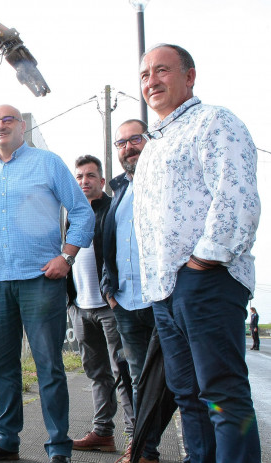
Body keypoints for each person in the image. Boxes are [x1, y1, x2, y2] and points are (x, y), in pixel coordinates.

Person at [134, 44, 261, 462]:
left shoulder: (214, 122)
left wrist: (201, 263)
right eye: (145, 74)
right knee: (188, 397)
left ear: (189, 76)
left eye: (162, 70)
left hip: (206, 281)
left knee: (222, 396)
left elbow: (237, 199)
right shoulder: (153, 146)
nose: (152, 80)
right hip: (165, 292)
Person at [0, 104, 94, 463]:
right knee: (1, 365)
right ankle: (7, 440)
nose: (1, 125)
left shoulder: (48, 163)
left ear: (22, 127)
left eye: (8, 120)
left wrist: (65, 257)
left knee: (48, 365)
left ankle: (58, 448)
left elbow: (82, 212)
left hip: (41, 280)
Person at [102, 119, 178, 463]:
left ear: (151, 140)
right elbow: (109, 245)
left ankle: (195, 448)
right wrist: (109, 289)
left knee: (179, 380)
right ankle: (145, 449)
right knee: (138, 381)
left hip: (164, 299)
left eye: (135, 139)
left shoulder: (167, 182)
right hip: (127, 303)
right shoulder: (120, 191)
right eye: (121, 143)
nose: (128, 147)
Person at [67, 155, 134, 453]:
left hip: (110, 307)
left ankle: (136, 439)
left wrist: (114, 295)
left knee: (124, 373)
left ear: (102, 181)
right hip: (81, 308)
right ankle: (103, 433)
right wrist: (71, 303)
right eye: (80, 176)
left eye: (90, 175)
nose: (84, 181)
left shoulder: (114, 210)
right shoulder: (70, 215)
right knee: (97, 373)